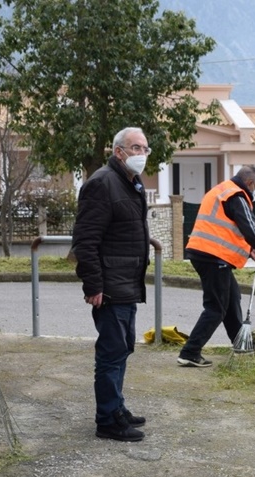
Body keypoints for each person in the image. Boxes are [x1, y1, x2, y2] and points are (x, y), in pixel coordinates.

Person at [72, 127, 151, 442]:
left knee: (122, 349)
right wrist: (93, 285)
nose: (141, 154)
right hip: (110, 284)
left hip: (126, 282)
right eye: (135, 148)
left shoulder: (129, 182)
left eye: (145, 148)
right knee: (110, 352)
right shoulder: (103, 183)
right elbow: (86, 240)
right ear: (119, 151)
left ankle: (116, 407)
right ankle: (107, 419)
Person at [177, 165, 255, 368]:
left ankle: (241, 344)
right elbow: (250, 228)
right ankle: (190, 352)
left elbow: (226, 228)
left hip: (206, 253)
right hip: (213, 256)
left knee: (232, 296)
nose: (253, 192)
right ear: (250, 183)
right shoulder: (236, 195)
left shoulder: (221, 190)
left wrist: (251, 249)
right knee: (216, 307)